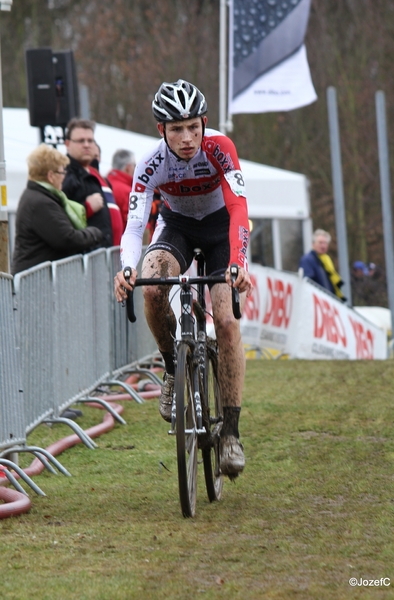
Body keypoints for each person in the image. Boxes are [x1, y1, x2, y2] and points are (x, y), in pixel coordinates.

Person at [114, 79, 253, 479]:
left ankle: (230, 432)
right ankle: (172, 365)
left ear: (204, 123)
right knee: (153, 286)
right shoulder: (150, 163)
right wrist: (127, 267)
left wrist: (239, 262)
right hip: (175, 226)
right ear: (162, 130)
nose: (188, 137)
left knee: (226, 322)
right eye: (177, 129)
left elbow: (239, 207)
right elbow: (135, 223)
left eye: (194, 126)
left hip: (220, 230)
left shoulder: (220, 149)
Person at [11, 143, 103, 276]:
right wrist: (94, 233)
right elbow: (68, 239)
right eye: (61, 172)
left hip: (35, 280)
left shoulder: (36, 196)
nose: (64, 176)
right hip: (35, 283)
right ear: (50, 175)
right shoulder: (41, 203)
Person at [62, 118, 113, 248]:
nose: (86, 145)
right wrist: (87, 208)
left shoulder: (93, 174)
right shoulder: (64, 176)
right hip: (84, 259)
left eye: (90, 140)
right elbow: (59, 219)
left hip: (102, 257)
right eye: (80, 141)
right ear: (67, 144)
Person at [89, 142, 124, 246]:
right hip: (99, 245)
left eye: (97, 156)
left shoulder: (105, 181)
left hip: (112, 245)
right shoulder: (85, 179)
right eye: (92, 156)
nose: (95, 160)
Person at [299, 229, 345, 300]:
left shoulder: (326, 260)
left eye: (325, 243)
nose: (323, 246)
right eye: (320, 243)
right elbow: (307, 283)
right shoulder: (308, 260)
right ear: (313, 244)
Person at [107, 149, 136, 224]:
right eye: (135, 166)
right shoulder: (130, 192)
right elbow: (134, 224)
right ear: (128, 167)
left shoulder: (103, 183)